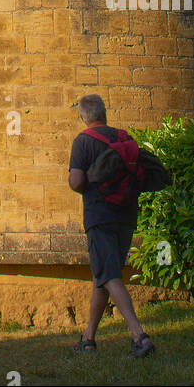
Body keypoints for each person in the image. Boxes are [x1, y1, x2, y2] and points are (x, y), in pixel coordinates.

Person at [68, 94, 154, 358]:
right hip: (126, 214)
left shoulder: (83, 141)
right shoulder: (124, 138)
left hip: (100, 216)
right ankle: (88, 338)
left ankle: (139, 336)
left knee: (108, 275)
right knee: (103, 275)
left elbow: (76, 182)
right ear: (105, 112)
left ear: (83, 117)